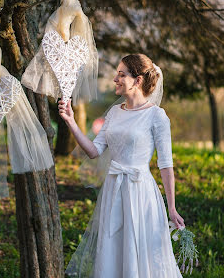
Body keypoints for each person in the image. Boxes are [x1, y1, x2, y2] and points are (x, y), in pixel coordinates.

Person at [60, 54, 185, 277]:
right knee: (113, 250)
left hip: (140, 192)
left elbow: (166, 165)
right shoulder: (114, 113)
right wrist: (71, 121)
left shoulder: (157, 116)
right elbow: (94, 150)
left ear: (137, 80)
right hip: (113, 188)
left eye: (121, 74)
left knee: (139, 251)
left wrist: (172, 207)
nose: (115, 79)